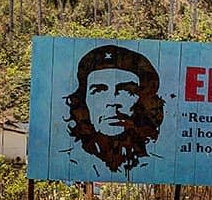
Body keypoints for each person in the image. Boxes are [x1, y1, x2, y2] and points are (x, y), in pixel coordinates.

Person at [65, 44, 165, 174]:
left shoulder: (157, 165)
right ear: (83, 100)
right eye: (99, 90)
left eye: (126, 90)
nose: (112, 102)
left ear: (142, 101)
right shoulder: (70, 162)